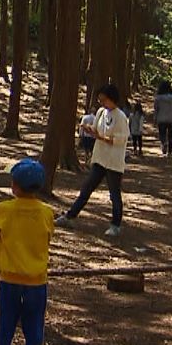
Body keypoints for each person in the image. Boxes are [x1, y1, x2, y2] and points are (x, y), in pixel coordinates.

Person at [0, 158, 54, 345]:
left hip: (9, 280)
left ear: (15, 186)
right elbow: (48, 235)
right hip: (37, 282)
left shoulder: (5, 209)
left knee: (5, 323)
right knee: (35, 324)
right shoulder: (46, 212)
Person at [58, 84, 129, 237]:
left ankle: (115, 225)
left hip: (113, 161)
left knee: (114, 194)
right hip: (100, 158)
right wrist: (88, 129)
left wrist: (102, 138)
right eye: (100, 100)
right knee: (87, 188)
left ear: (112, 99)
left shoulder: (121, 117)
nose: (102, 103)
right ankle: (70, 216)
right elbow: (96, 130)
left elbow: (121, 139)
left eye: (104, 100)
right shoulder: (101, 112)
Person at [153, 81, 172, 158]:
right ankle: (170, 152)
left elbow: (156, 109)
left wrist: (155, 119)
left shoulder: (158, 98)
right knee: (171, 136)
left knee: (162, 134)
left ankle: (164, 142)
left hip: (161, 119)